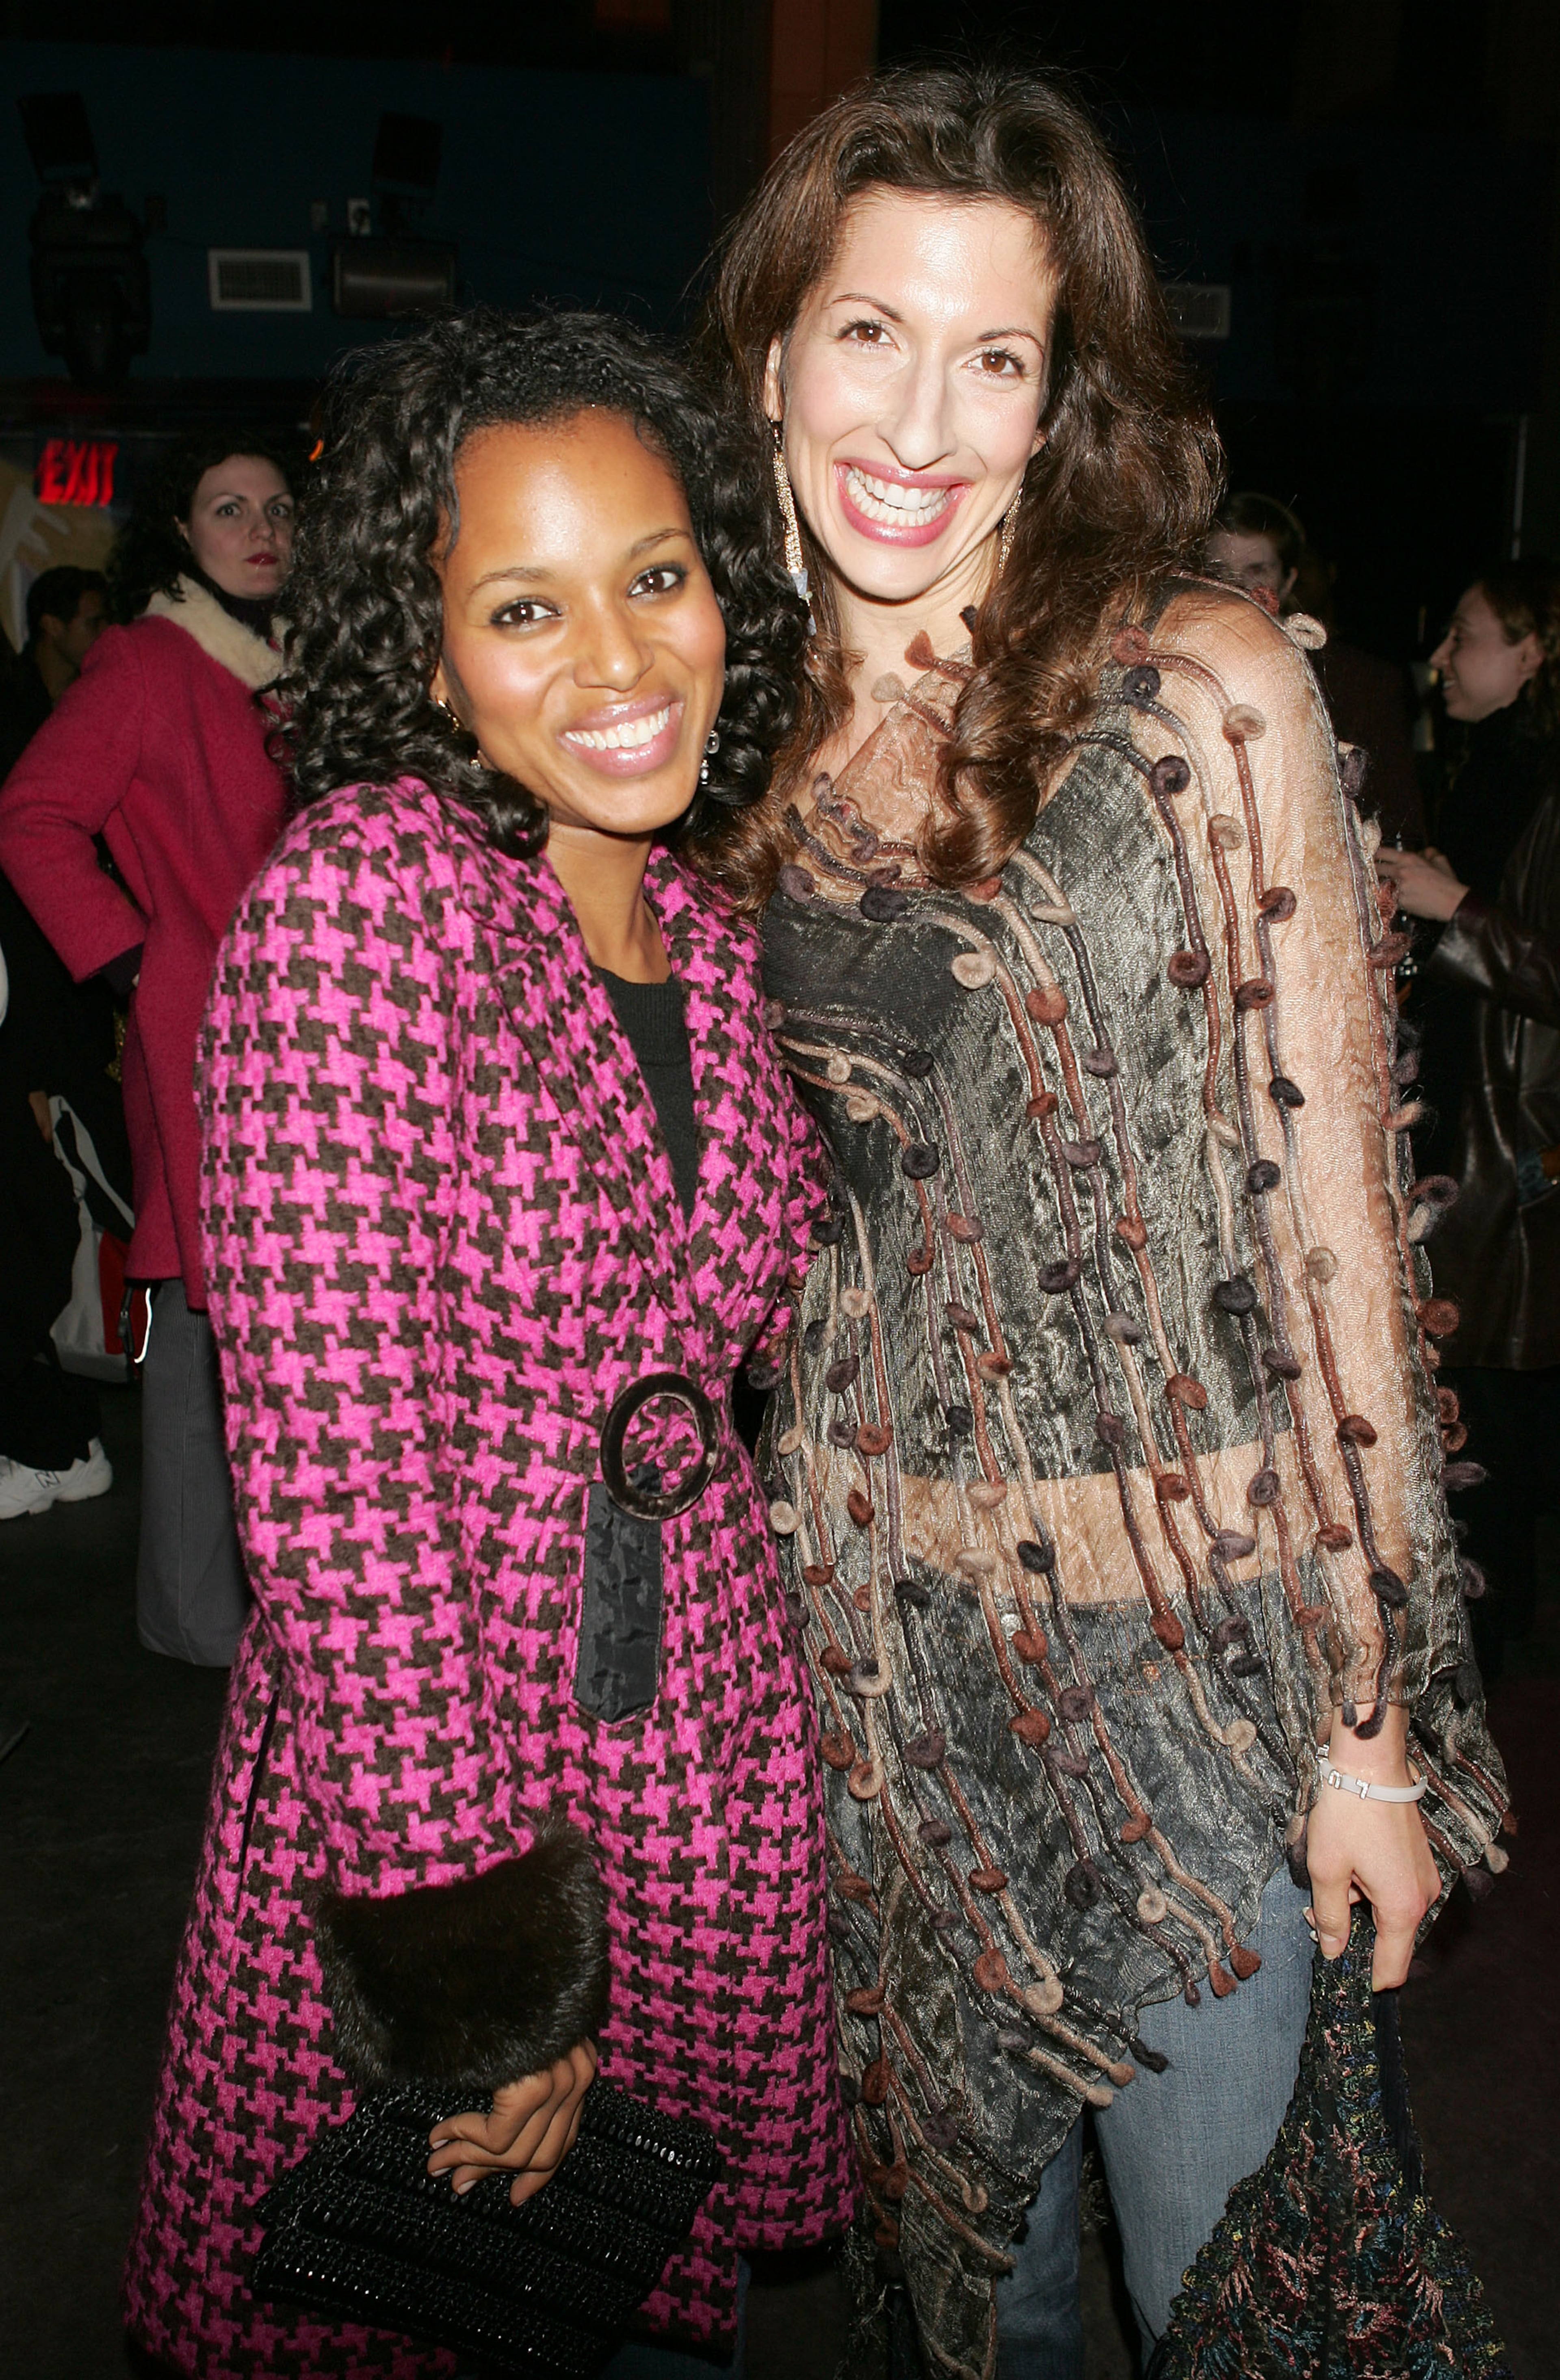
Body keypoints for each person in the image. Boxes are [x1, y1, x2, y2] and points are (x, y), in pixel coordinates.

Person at [705, 62, 1509, 2379]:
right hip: (861, 1669)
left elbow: (1335, 1258)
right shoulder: (692, 733)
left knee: (1222, 2295)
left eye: (993, 357)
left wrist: (1365, 1735)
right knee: (980, 2311)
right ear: (769, 351)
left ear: (1056, 399)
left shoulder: (1193, 695)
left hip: (1186, 1668)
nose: (919, 420)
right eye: (869, 334)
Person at [122, 310, 854, 2380]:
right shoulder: (364, 913)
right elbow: (344, 1506)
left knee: (652, 2292)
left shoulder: (709, 924)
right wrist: (492, 1987)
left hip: (689, 1721)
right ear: (430, 656)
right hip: (459, 1782)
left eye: (657, 575)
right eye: (526, 609)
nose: (620, 663)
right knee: (473, 2301)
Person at [0, 433, 295, 1664]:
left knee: (292, 1315)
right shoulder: (143, 663)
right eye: (228, 507)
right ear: (180, 533)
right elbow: (32, 815)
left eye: (279, 506)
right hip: (208, 1034)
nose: (260, 526)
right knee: (201, 1309)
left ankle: (282, 1607)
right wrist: (136, 958)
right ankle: (196, 1616)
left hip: (320, 1032)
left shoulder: (305, 666)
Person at [1376, 559, 1560, 1678]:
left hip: (1518, 1166)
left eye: (1471, 635)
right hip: (1467, 1149)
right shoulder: (1492, 767)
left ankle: (1486, 1698)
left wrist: (1460, 909)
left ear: (1535, 653)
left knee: (1491, 1445)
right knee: (1461, 1437)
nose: (1445, 656)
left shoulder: (1542, 779)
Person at [1205, 495, 1423, 846]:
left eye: (1256, 571)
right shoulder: (1167, 675)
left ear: (1289, 580)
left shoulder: (1360, 684)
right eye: (1219, 572)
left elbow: (1398, 829)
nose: (1236, 588)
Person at [0, 564, 106, 777]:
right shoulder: (10, 703)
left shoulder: (99, 694)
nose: (105, 633)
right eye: (93, 624)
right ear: (53, 626)